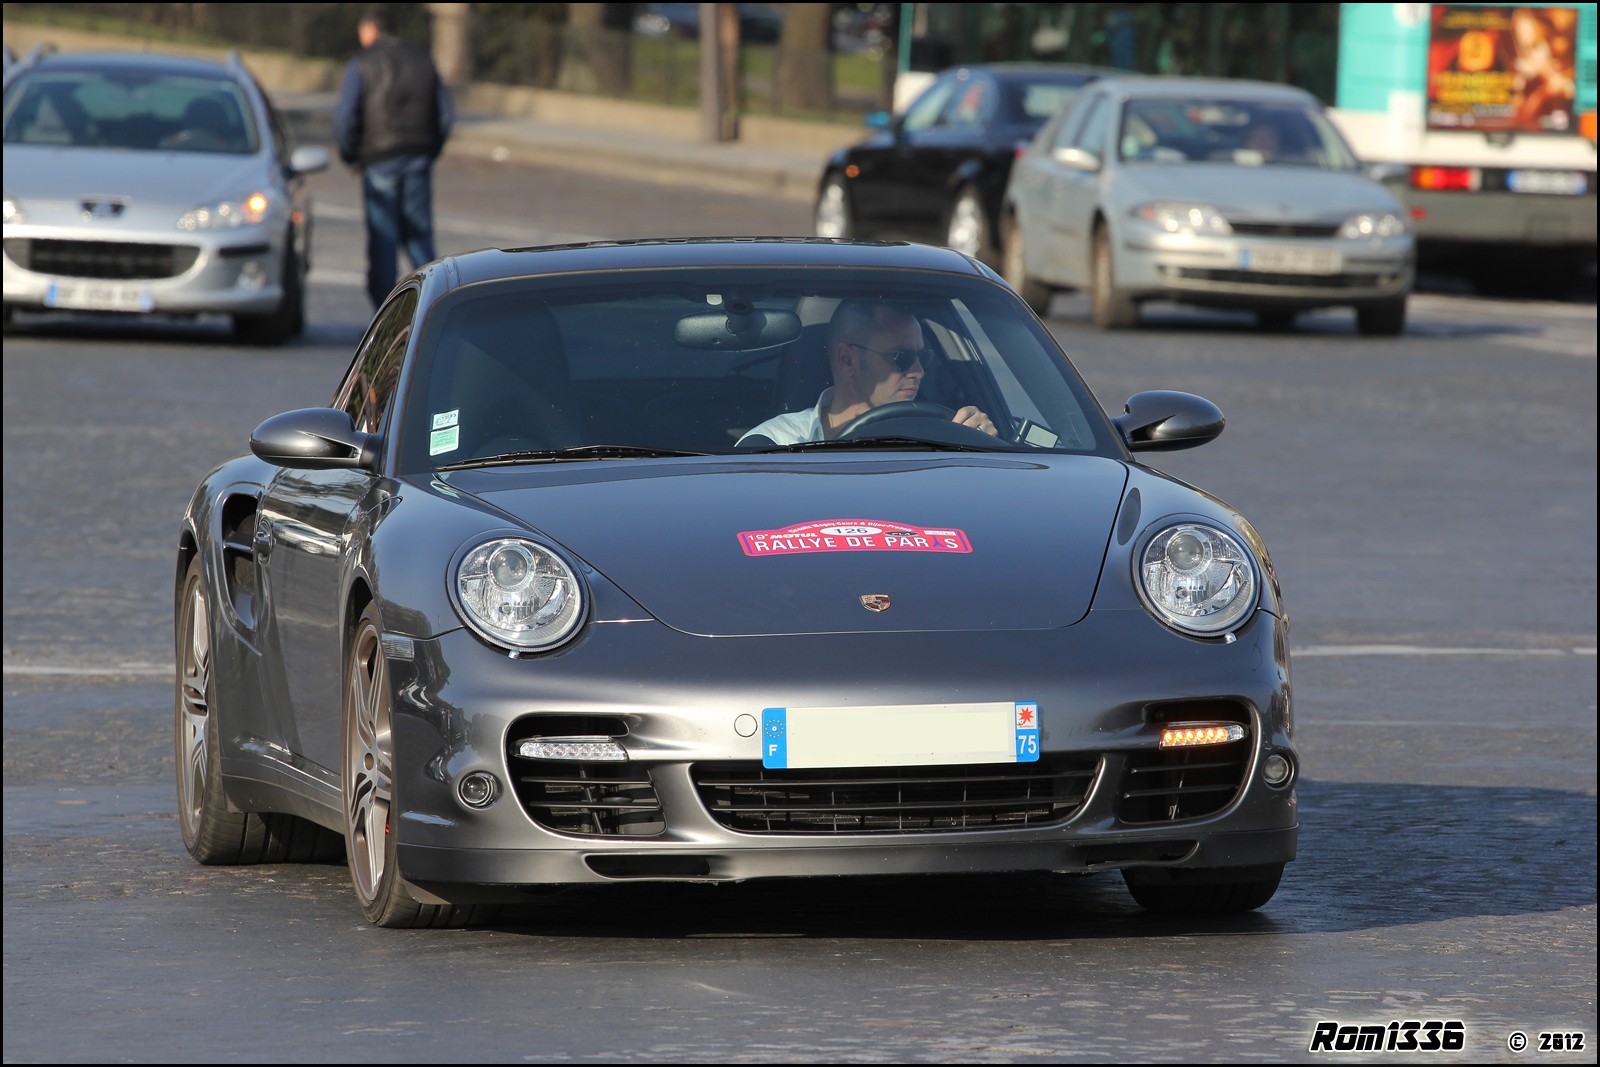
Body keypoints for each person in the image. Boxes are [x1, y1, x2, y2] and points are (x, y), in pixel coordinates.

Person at [737, 299, 997, 447]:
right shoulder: (775, 445)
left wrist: (983, 447)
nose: (918, 371)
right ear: (848, 359)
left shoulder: (946, 438)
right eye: (901, 358)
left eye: (923, 357)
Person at [334, 6, 454, 310]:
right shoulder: (423, 58)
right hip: (417, 158)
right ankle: (434, 304)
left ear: (370, 30)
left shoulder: (362, 63)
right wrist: (430, 149)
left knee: (384, 241)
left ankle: (386, 311)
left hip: (378, 160)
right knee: (419, 235)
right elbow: (445, 114)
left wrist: (351, 155)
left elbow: (345, 118)